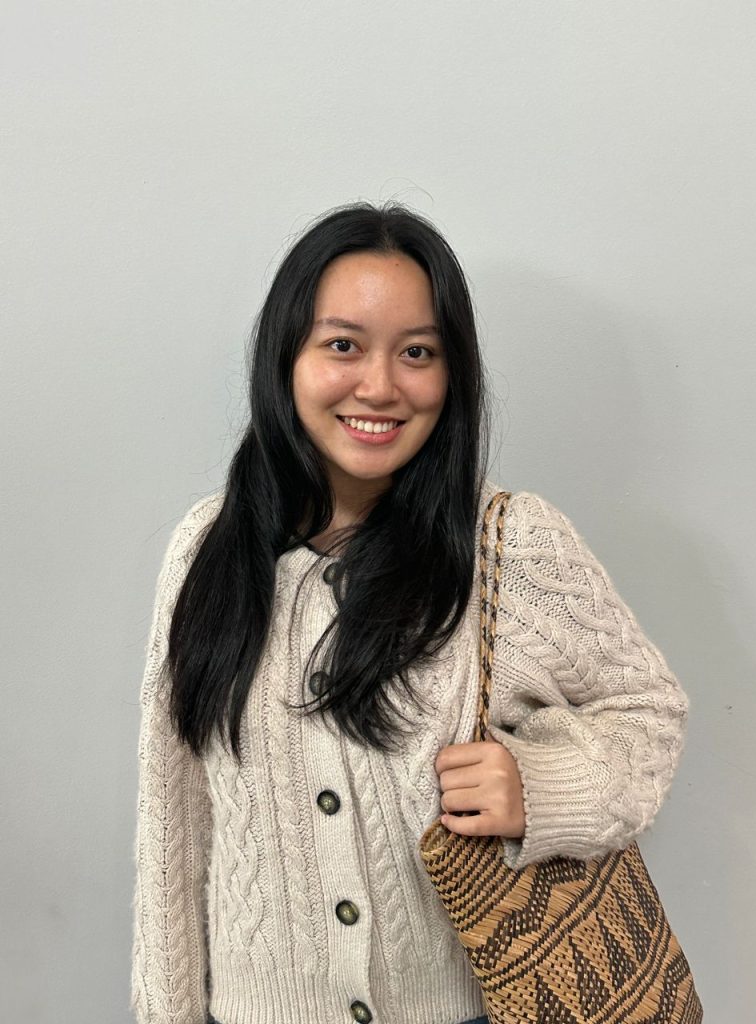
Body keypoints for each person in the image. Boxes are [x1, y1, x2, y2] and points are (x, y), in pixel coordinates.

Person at [130, 201, 690, 1024]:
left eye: (417, 352)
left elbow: (650, 714)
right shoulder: (206, 550)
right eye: (343, 345)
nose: (380, 386)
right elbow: (173, 818)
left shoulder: (508, 544)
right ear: (286, 357)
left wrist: (541, 787)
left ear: (452, 373)